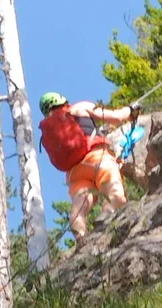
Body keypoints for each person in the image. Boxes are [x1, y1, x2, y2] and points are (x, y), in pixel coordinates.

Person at [39, 91, 135, 241]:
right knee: (114, 192)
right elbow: (116, 117)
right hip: (97, 158)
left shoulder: (51, 130)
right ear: (63, 100)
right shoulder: (80, 107)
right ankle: (107, 215)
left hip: (74, 172)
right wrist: (130, 110)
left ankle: (81, 237)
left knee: (79, 207)